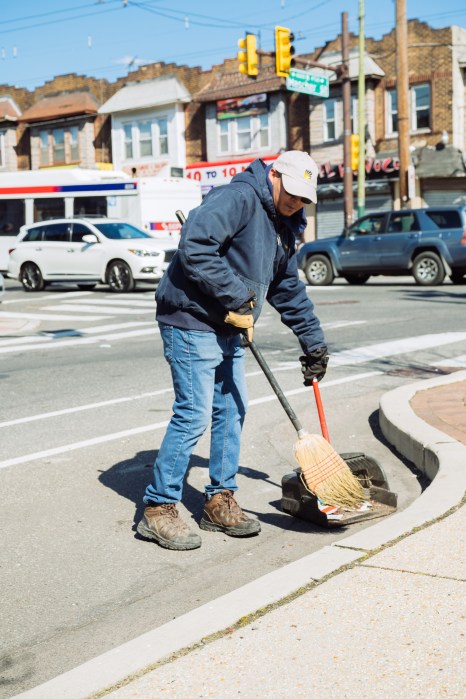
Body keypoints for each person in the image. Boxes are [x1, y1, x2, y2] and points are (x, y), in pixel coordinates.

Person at [137, 150, 329, 551]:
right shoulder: (238, 197)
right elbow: (195, 247)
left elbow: (285, 285)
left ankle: (218, 499)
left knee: (233, 409)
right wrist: (238, 298)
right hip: (191, 319)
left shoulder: (284, 224)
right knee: (193, 413)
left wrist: (313, 341)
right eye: (290, 192)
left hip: (230, 323)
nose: (295, 201)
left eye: (303, 198)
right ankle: (158, 507)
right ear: (273, 175)